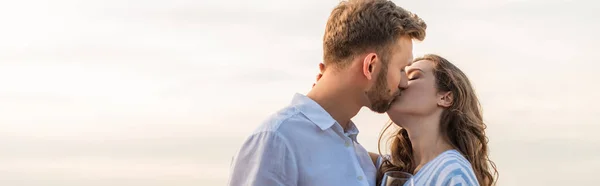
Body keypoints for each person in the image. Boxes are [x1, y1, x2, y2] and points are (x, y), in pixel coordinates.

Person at [227, 0, 426, 185]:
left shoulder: (359, 156)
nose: (404, 82)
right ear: (371, 66)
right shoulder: (276, 140)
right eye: (401, 69)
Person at [375, 54, 499, 185]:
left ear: (445, 98)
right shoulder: (389, 167)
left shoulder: (455, 174)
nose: (400, 82)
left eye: (413, 76)